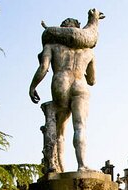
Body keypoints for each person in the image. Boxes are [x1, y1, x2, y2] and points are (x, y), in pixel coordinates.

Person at [29, 12, 103, 171]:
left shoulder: (51, 46)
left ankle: (59, 168)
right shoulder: (89, 51)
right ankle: (82, 165)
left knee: (60, 131)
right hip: (80, 84)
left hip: (61, 82)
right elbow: (92, 80)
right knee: (80, 126)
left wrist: (33, 86)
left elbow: (43, 68)